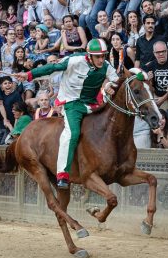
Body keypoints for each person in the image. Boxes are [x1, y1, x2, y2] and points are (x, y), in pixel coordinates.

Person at [13, 39, 118, 188]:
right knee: (72, 133)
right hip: (71, 104)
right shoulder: (74, 61)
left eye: (103, 56)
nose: (101, 59)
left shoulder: (106, 67)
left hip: (92, 105)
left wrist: (109, 85)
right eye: (97, 56)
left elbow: (118, 82)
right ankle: (62, 174)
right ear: (89, 55)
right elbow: (51, 68)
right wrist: (29, 75)